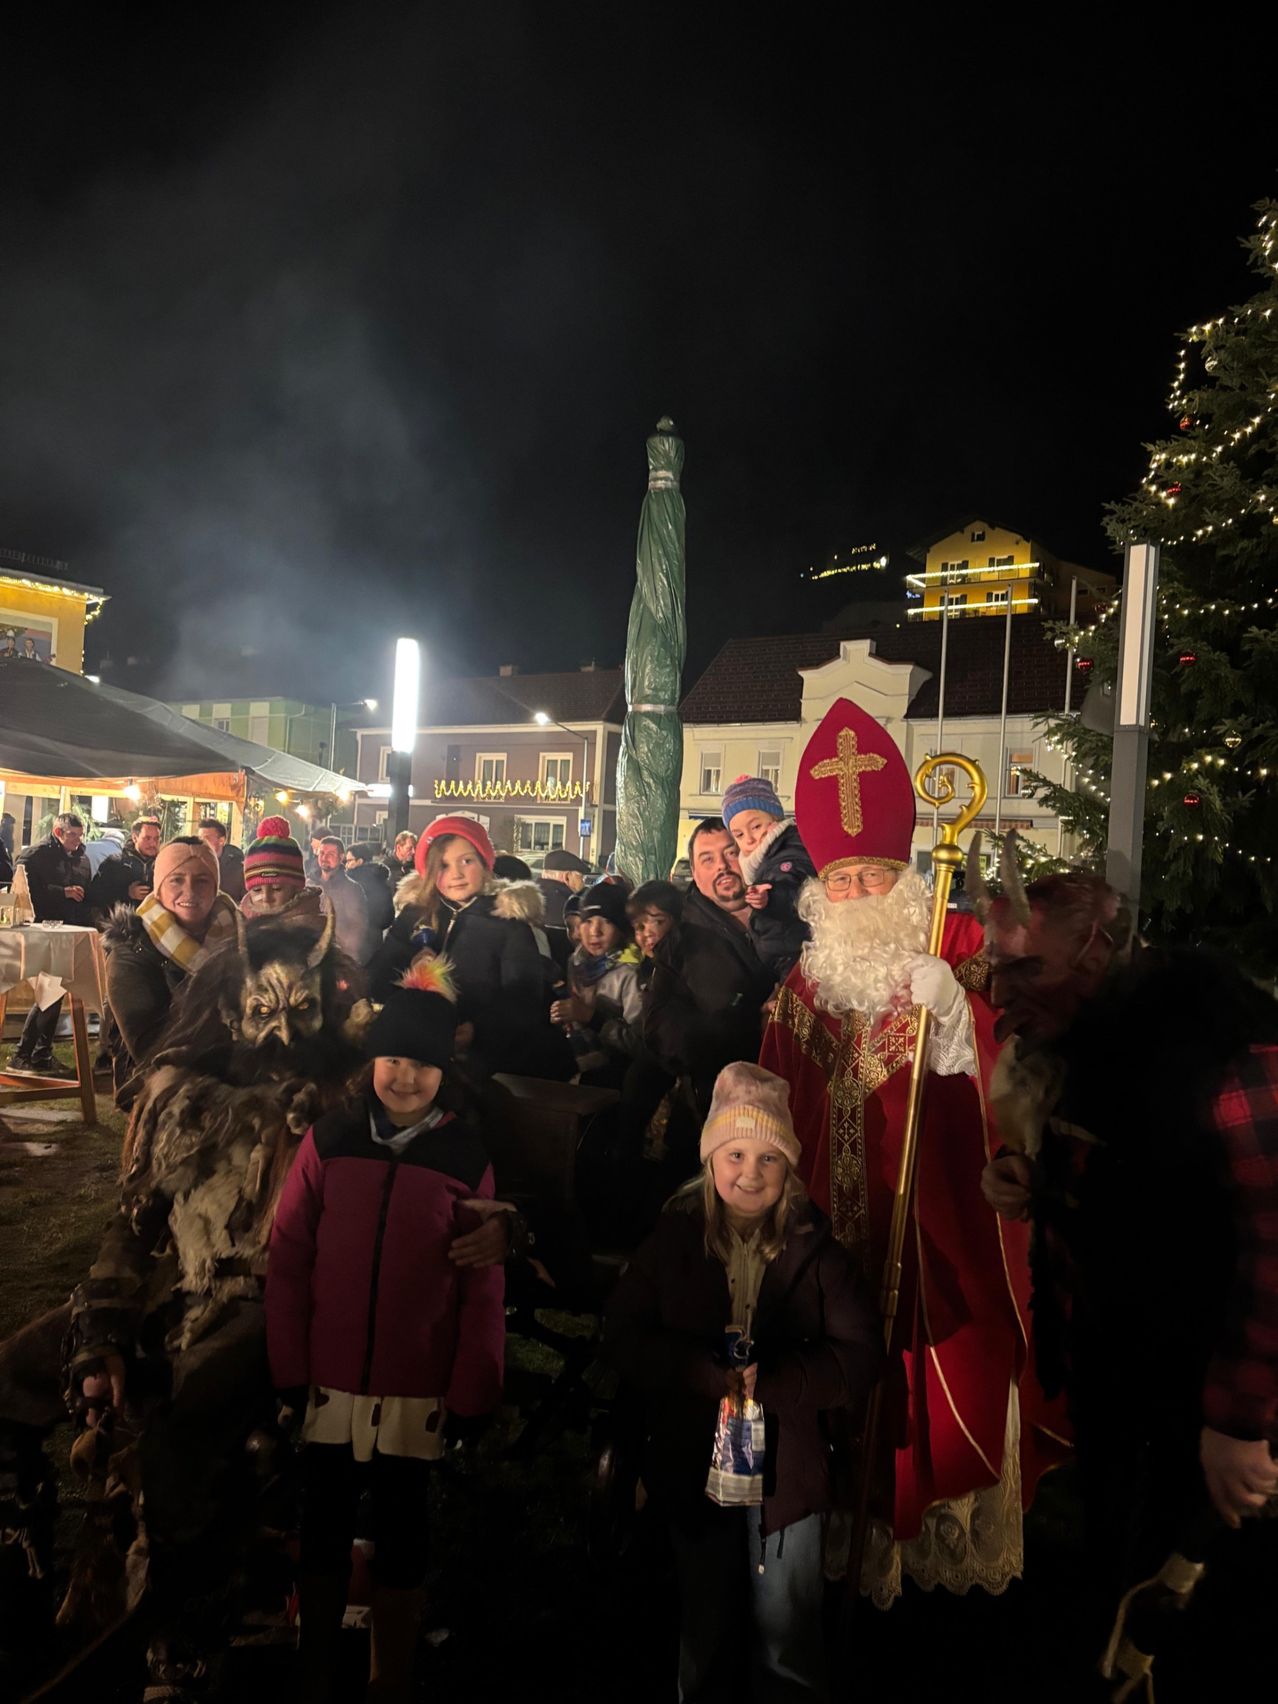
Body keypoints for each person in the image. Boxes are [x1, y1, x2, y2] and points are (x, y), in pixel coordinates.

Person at [0, 905, 365, 1702]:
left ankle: (175, 1633)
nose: (278, 1031)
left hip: (273, 1306)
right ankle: (26, 1546)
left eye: (298, 1010)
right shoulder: (178, 1098)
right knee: (19, 1365)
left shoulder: (343, 1108)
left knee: (178, 1418)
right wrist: (101, 1327)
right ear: (231, 1006)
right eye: (261, 1010)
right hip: (178, 1290)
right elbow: (132, 1228)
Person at [759, 697, 1054, 1602]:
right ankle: (844, 1521)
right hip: (828, 1229)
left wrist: (965, 1020)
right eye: (839, 881)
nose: (854, 896)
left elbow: (1031, 1076)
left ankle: (934, 1525)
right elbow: (773, 1094)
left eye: (872, 877)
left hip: (944, 1227)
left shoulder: (959, 949)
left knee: (940, 1369)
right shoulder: (806, 978)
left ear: (906, 875)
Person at [978, 857, 1278, 1695]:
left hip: (1208, 1389)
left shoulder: (1224, 1048)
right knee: (1115, 1564)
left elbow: (1273, 1239)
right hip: (1117, 1368)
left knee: (1201, 1606)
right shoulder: (1085, 1039)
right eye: (997, 972)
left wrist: (1241, 1422)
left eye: (1028, 969)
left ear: (1099, 950)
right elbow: (1112, 1169)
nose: (1002, 997)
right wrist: (1025, 1175)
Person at [606, 1063, 882, 1703]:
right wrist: (701, 1372)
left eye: (768, 1159)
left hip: (788, 1472)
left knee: (786, 1627)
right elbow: (622, 1333)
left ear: (789, 1171)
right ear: (710, 1160)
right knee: (704, 1618)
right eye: (734, 1154)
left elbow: (860, 1355)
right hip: (692, 1455)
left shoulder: (818, 1253)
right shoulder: (674, 1242)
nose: (749, 1174)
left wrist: (783, 1379)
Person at [267, 956, 503, 1704]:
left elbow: (480, 1284)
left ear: (445, 1072)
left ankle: (388, 1673)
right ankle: (314, 1658)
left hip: (415, 1382)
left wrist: (473, 1387)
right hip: (330, 1377)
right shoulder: (331, 1140)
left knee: (404, 1528)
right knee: (325, 1519)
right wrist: (288, 1363)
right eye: (393, 1061)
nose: (405, 1078)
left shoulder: (464, 1156)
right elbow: (290, 1253)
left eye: (423, 1066)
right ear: (372, 1061)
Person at [372, 816, 572, 1081]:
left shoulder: (507, 921)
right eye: (443, 864)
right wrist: (407, 968)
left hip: (484, 1064)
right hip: (416, 1055)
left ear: (485, 863)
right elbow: (377, 979)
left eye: (466, 861)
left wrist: (478, 1030)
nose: (456, 873)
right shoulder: (414, 915)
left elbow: (523, 999)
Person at [643, 820, 776, 1121]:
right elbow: (661, 1033)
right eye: (708, 859)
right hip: (716, 1105)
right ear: (694, 869)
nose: (722, 867)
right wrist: (752, 1023)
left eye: (731, 853)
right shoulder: (680, 939)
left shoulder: (783, 915)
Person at [102, 835, 240, 1102]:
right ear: (158, 888)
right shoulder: (132, 948)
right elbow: (149, 1047)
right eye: (176, 880)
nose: (189, 892)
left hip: (234, 1073)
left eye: (202, 881)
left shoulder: (240, 936)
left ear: (216, 888)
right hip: (156, 1085)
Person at [7, 812, 94, 1076]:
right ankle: (25, 1053)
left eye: (80, 836)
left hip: (70, 932)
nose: (77, 841)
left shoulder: (81, 857)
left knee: (54, 993)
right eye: (72, 835)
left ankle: (40, 1054)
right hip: (43, 934)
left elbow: (86, 888)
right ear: (58, 832)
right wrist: (63, 892)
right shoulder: (36, 855)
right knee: (49, 991)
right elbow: (22, 893)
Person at [722, 773, 815, 982]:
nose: (750, 839)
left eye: (756, 826)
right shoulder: (761, 860)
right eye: (739, 835)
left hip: (797, 954)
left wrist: (770, 898)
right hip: (780, 954)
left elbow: (794, 886)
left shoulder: (789, 849)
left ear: (775, 820)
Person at [550, 879, 643, 1086]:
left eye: (607, 921)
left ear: (622, 928)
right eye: (588, 921)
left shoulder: (630, 972)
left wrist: (592, 1018)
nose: (595, 931)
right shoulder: (577, 961)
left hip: (616, 1073)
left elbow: (640, 1044)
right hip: (579, 1059)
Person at [239, 816, 331, 924]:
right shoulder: (236, 929)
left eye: (277, 888)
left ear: (296, 889)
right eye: (257, 890)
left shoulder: (314, 931)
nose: (266, 898)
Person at [314, 835, 374, 962]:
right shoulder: (310, 884)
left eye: (330, 854)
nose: (324, 858)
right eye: (322, 853)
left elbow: (357, 928)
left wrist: (345, 961)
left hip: (337, 958)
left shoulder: (351, 889)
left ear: (341, 857)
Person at [88, 813, 160, 917]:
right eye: (147, 838)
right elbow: (95, 895)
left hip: (154, 927)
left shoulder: (162, 865)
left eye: (156, 838)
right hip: (122, 926)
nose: (153, 844)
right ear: (135, 837)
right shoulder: (115, 862)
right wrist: (127, 893)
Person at [537, 847, 591, 968]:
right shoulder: (571, 907)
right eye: (581, 877)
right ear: (567, 877)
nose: (583, 882)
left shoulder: (528, 900)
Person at [345, 841, 395, 936]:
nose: (346, 865)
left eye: (349, 861)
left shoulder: (351, 880)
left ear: (359, 861)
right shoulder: (381, 878)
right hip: (377, 936)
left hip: (355, 937)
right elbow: (389, 915)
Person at [197, 817, 246, 902]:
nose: (201, 843)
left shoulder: (239, 870)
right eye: (199, 839)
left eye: (206, 838)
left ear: (221, 841)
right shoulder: (193, 865)